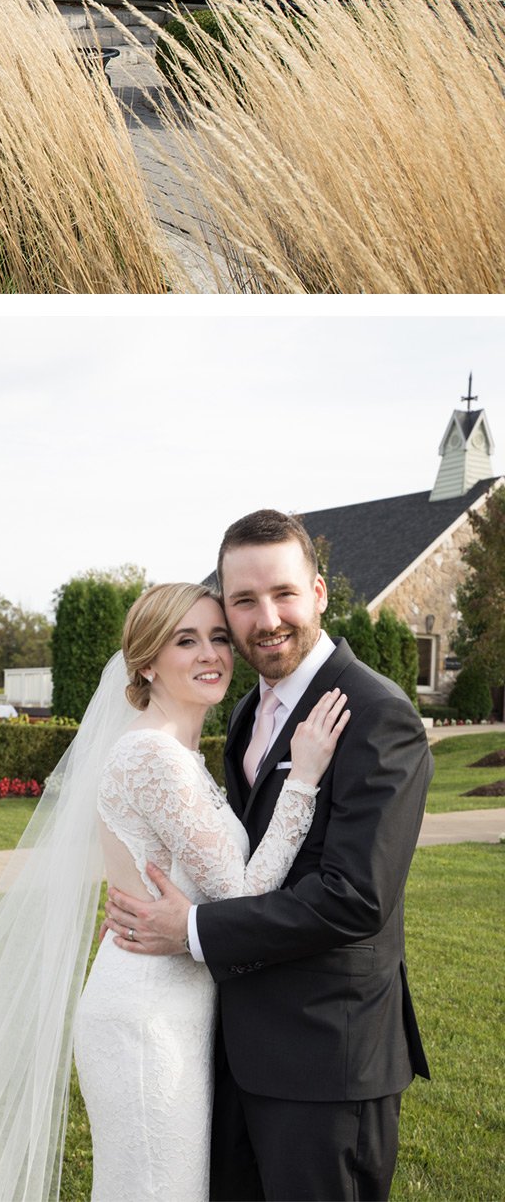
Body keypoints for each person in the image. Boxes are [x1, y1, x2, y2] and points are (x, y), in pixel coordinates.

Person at [0, 580, 349, 1202]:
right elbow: (244, 893)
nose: (212, 655)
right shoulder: (154, 757)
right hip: (147, 1017)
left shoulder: (173, 752)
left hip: (168, 1002)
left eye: (219, 638)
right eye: (187, 640)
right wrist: (304, 778)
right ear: (147, 661)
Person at [105, 510, 433, 1202]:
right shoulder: (248, 712)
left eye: (283, 593)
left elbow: (355, 896)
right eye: (244, 602)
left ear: (317, 592)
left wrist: (191, 930)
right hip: (230, 1049)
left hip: (326, 1062)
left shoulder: (377, 714)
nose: (267, 618)